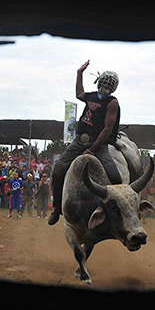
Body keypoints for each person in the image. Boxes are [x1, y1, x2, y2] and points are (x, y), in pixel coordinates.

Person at [48, 60, 122, 225]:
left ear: (112, 89)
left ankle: (119, 213)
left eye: (107, 87)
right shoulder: (91, 96)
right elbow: (79, 94)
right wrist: (79, 73)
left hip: (98, 144)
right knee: (58, 171)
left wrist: (92, 149)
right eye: (102, 85)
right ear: (99, 83)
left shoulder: (112, 103)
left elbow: (107, 129)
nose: (104, 89)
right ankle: (57, 208)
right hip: (79, 141)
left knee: (115, 176)